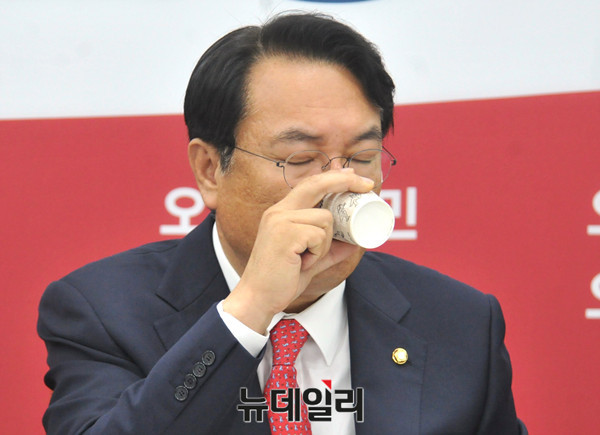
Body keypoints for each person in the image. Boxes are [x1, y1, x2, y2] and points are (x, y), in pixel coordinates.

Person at [38, 12, 527, 434]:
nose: (340, 186)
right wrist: (249, 309)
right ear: (209, 170)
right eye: (300, 159)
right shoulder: (102, 312)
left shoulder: (459, 322)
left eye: (362, 156)